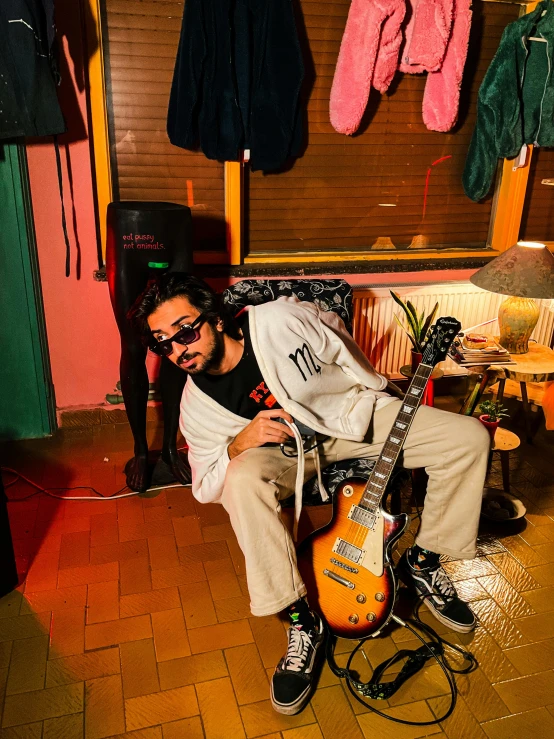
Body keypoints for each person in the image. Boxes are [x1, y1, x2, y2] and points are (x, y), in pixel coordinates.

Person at [132, 273, 490, 716]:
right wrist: (237, 444)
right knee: (241, 480)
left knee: (468, 437)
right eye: (162, 343)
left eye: (185, 331)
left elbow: (339, 342)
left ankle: (425, 560)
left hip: (351, 421)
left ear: (216, 319)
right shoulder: (196, 405)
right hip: (288, 457)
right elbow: (205, 486)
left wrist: (376, 388)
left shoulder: (279, 321)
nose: (178, 349)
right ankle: (301, 618)